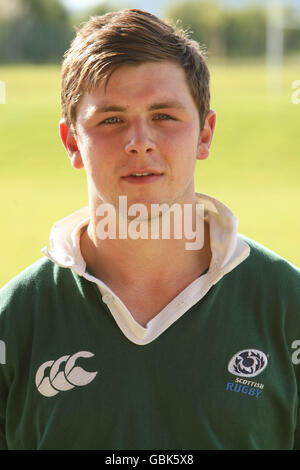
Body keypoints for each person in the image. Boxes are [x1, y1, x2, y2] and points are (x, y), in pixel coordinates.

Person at [0, 8, 299, 451]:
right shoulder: (14, 320)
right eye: (111, 119)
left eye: (163, 116)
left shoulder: (286, 305)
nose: (139, 140)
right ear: (71, 142)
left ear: (205, 134)